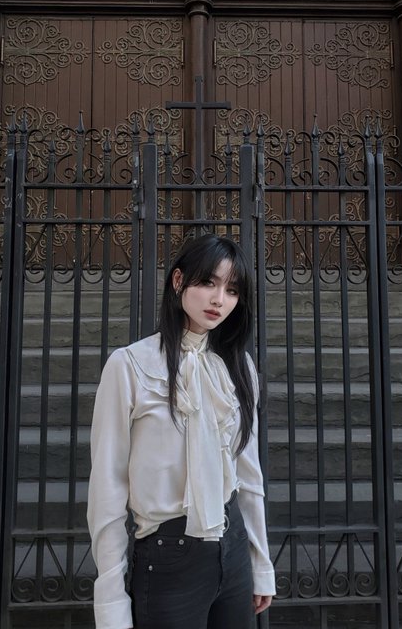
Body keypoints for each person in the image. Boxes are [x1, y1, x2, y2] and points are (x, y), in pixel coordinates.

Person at [87, 234, 275, 629]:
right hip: (167, 557)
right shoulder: (130, 366)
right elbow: (107, 489)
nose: (219, 299)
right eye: (208, 282)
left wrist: (260, 564)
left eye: (232, 290)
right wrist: (111, 601)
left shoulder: (238, 367)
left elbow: (248, 474)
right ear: (178, 281)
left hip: (233, 550)